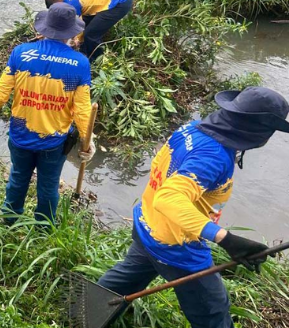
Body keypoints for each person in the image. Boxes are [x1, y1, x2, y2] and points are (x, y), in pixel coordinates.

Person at [98, 86, 289, 328]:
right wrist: (226, 239)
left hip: (148, 223)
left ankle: (85, 312)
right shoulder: (213, 156)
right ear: (258, 130)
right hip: (177, 245)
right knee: (213, 311)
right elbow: (168, 198)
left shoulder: (192, 128)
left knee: (123, 281)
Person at [0, 3, 95, 225]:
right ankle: (44, 227)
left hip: (20, 135)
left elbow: (1, 91)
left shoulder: (21, 53)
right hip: (54, 141)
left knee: (18, 178)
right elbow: (82, 109)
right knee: (48, 186)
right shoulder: (80, 63)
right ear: (72, 34)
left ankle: (9, 220)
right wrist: (87, 140)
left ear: (44, 28)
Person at [46, 0, 133, 62]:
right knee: (87, 24)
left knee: (90, 35)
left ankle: (95, 60)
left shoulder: (72, 4)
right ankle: (85, 50)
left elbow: (74, 26)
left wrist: (76, 39)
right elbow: (83, 20)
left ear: (58, 4)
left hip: (120, 3)